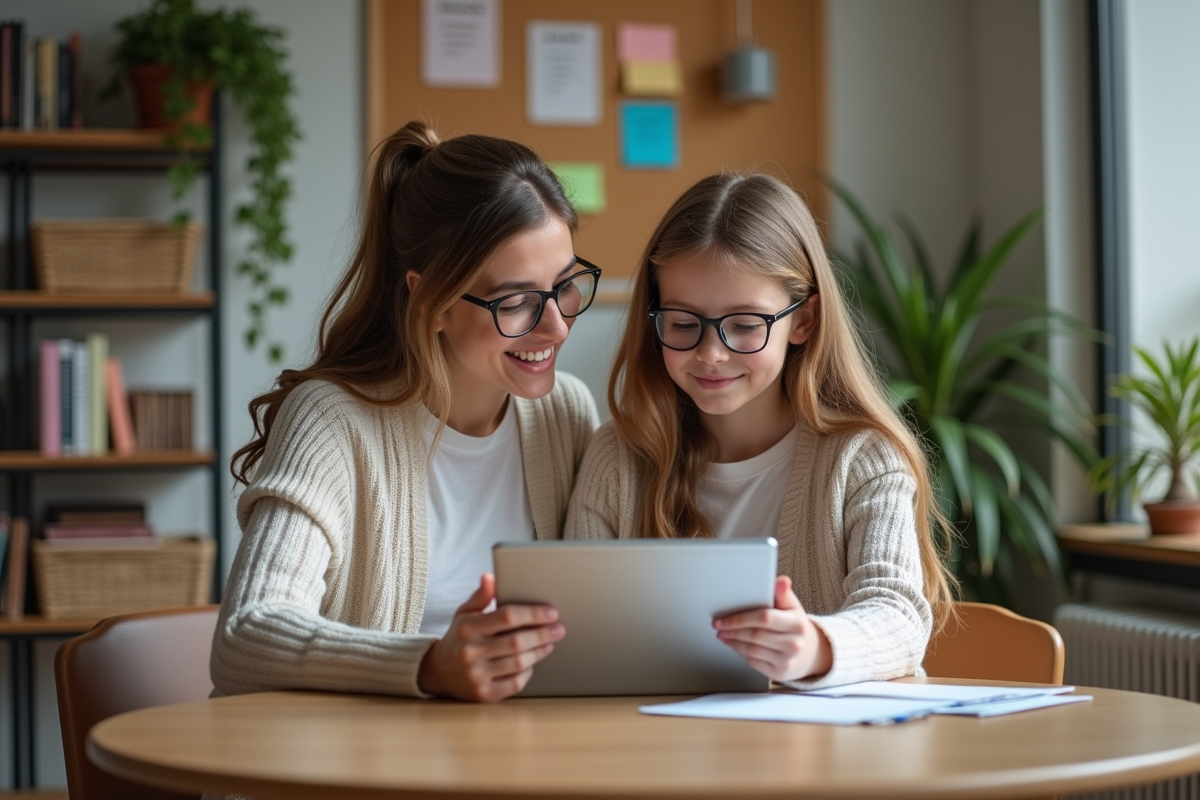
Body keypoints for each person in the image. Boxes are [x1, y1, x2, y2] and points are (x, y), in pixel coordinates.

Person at [213, 120, 600, 705]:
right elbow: (245, 636)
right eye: (517, 301)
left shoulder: (564, 414)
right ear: (432, 299)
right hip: (353, 755)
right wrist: (429, 665)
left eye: (566, 286)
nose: (557, 326)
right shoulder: (333, 422)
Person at [565, 172, 956, 688]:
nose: (710, 353)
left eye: (746, 325)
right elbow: (579, 630)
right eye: (682, 323)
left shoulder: (863, 459)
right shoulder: (617, 457)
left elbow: (899, 616)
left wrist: (814, 646)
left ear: (804, 321)